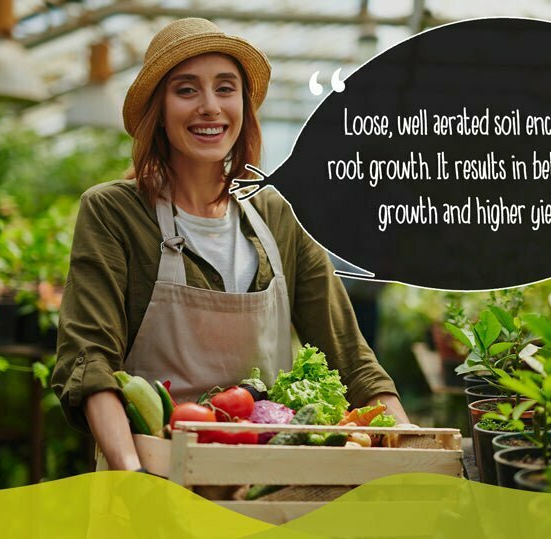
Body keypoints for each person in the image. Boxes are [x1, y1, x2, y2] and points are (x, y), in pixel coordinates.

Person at [51, 18, 410, 472]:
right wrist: (131, 472)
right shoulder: (115, 212)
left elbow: (350, 357)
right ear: (157, 109)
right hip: (153, 473)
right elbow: (89, 359)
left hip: (270, 479)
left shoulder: (281, 216)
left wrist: (414, 447)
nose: (209, 107)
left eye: (225, 88)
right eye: (186, 90)